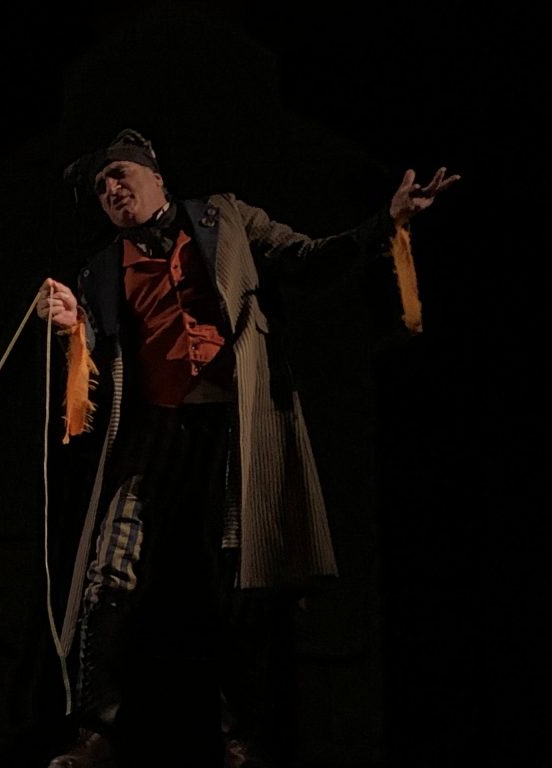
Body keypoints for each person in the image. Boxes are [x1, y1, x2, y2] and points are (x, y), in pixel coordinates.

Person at [36, 128, 458, 768]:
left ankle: (242, 738)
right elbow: (96, 367)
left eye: (120, 174)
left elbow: (310, 258)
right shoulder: (99, 268)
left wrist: (387, 222)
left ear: (157, 178)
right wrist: (74, 326)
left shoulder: (226, 218)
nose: (111, 190)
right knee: (108, 576)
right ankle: (95, 733)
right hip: (154, 432)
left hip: (235, 425)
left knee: (241, 580)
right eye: (100, 187)